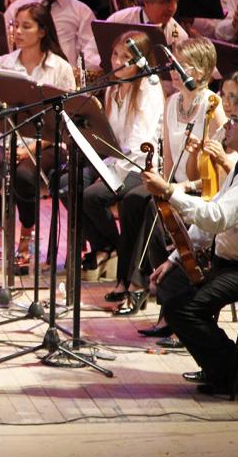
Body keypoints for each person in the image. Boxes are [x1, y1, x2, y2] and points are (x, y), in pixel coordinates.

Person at [142, 96, 238, 396]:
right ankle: (220, 366)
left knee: (185, 309)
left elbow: (217, 217)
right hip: (237, 263)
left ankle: (236, 370)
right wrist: (175, 258)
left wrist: (169, 191)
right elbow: (214, 213)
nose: (227, 126)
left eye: (235, 121)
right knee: (172, 287)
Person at [114, 38, 227, 316]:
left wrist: (179, 187)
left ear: (201, 71)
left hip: (201, 188)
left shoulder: (212, 104)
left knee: (154, 209)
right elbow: (168, 157)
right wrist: (162, 184)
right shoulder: (172, 101)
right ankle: (129, 279)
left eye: (182, 66)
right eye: (174, 64)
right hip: (175, 184)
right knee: (133, 200)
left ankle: (141, 286)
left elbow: (223, 167)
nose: (174, 71)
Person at [0, 3, 75, 268]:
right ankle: (2, 233)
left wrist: (30, 149)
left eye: (25, 26)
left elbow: (67, 120)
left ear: (42, 31)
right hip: (8, 138)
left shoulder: (60, 68)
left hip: (48, 142)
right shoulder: (3, 63)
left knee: (23, 175)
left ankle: (26, 234)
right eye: (15, 26)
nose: (17, 32)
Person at [71, 31, 164, 291]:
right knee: (68, 184)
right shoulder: (113, 88)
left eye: (126, 57)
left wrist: (110, 173)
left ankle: (118, 249)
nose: (118, 62)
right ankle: (107, 246)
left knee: (93, 196)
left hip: (139, 166)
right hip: (115, 160)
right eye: (115, 54)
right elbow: (110, 137)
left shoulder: (148, 87)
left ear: (142, 61)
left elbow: (139, 145)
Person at [106, 0, 189, 46]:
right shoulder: (117, 21)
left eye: (176, 1)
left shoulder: (180, 37)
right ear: (146, 1)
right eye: (166, 1)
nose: (172, 8)